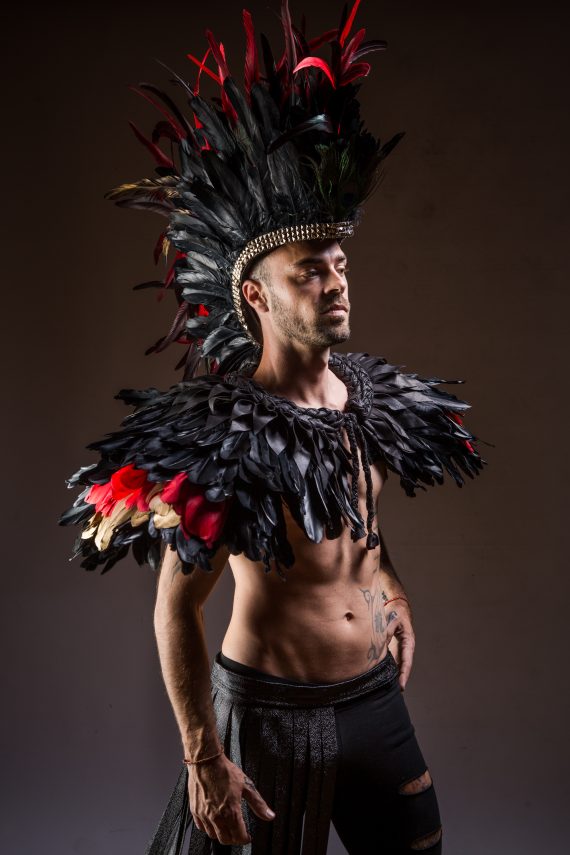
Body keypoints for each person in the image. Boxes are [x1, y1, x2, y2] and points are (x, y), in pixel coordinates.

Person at [58, 2, 489, 852]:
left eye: (340, 265)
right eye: (310, 272)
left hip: (376, 703)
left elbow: (360, 528)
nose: (335, 284)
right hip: (270, 718)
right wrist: (202, 757)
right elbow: (175, 610)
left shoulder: (369, 395)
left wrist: (391, 584)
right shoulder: (225, 442)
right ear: (256, 295)